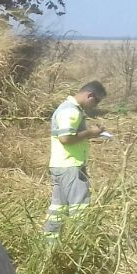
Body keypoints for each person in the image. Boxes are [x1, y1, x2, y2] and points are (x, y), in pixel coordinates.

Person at [45, 81, 108, 238]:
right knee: (79, 208)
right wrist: (91, 133)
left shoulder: (67, 108)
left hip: (60, 165)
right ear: (89, 95)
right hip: (71, 166)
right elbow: (65, 138)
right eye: (97, 101)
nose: (95, 105)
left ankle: (50, 244)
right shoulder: (71, 111)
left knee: (58, 209)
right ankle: (77, 242)